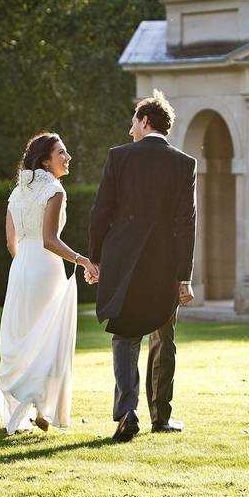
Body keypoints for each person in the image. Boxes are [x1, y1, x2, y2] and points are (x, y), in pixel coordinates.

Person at [89, 90, 197, 442]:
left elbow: (101, 211)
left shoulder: (118, 158)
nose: (130, 127)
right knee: (163, 338)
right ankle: (160, 417)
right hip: (164, 265)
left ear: (145, 120)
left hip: (123, 262)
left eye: (134, 120)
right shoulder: (184, 163)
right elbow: (186, 223)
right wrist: (184, 277)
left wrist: (95, 258)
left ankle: (127, 412)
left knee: (125, 337)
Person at [0, 132, 99, 435]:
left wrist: (23, 265)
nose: (68, 158)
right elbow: (50, 240)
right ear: (45, 160)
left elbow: (11, 242)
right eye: (62, 153)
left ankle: (31, 406)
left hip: (21, 270)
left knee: (25, 336)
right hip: (45, 268)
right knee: (48, 337)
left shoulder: (17, 192)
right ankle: (41, 406)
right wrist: (82, 260)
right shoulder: (54, 190)